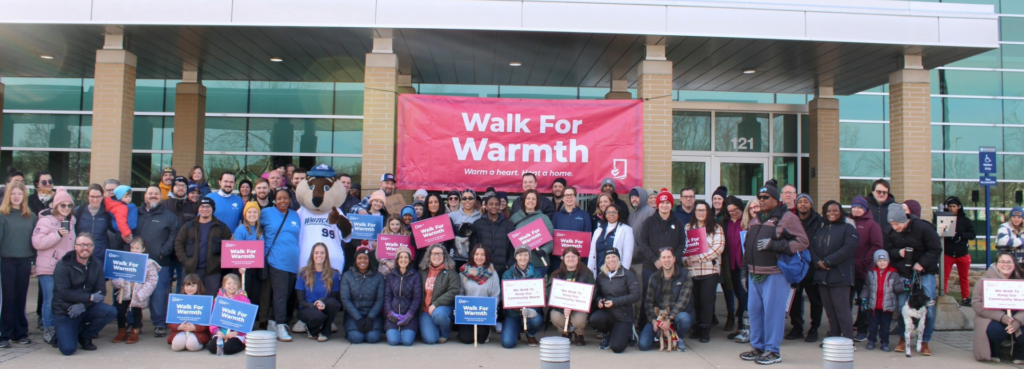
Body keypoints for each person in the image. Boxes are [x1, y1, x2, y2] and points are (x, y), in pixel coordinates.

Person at [739, 181, 809, 365]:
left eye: (765, 197)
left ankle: (772, 350)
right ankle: (758, 346)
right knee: (755, 312)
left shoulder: (787, 217)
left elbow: (802, 241)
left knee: (773, 313)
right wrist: (744, 271)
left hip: (775, 273)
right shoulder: (756, 219)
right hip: (754, 273)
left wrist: (776, 245)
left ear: (776, 200)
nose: (761, 200)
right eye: (759, 197)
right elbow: (748, 247)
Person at [884, 202, 941, 355]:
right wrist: (899, 253)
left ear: (904, 219)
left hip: (925, 272)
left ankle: (924, 341)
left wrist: (922, 263)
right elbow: (887, 250)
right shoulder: (890, 231)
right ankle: (903, 338)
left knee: (928, 307)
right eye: (892, 224)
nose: (894, 227)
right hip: (903, 273)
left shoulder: (923, 227)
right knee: (903, 306)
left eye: (896, 224)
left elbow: (936, 249)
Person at [52, 233, 117, 355]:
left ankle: (85, 335)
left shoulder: (96, 264)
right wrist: (90, 297)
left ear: (93, 247)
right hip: (65, 310)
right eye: (81, 244)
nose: (85, 248)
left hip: (85, 308)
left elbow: (101, 292)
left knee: (110, 311)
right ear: (75, 246)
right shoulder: (62, 265)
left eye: (89, 245)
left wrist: (83, 305)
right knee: (68, 350)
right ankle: (64, 332)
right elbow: (63, 292)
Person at [30, 186, 75, 345]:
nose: (66, 208)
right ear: (55, 206)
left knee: (61, 298)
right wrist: (56, 235)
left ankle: (59, 328)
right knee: (49, 299)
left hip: (65, 269)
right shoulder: (45, 220)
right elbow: (37, 242)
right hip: (48, 267)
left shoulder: (71, 221)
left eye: (69, 205)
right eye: (63, 205)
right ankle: (48, 329)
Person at [135, 186, 181, 338]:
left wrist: (163, 252)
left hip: (160, 262)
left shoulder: (168, 216)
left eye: (156, 194)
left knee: (159, 293)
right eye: (150, 194)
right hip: (136, 261)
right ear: (145, 196)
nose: (153, 196)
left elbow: (174, 235)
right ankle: (134, 324)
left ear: (161, 197)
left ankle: (159, 324)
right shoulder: (136, 213)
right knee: (133, 291)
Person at [809, 200, 858, 343]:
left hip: (840, 276)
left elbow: (848, 249)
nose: (832, 213)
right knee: (830, 311)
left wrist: (827, 261)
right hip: (823, 276)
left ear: (841, 212)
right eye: (828, 211)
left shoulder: (848, 229)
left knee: (842, 310)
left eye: (835, 210)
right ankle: (835, 339)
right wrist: (818, 262)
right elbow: (812, 248)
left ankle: (848, 340)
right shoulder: (821, 230)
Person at [637, 189, 687, 325]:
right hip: (651, 266)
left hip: (672, 267)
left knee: (670, 297)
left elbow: (682, 243)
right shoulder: (648, 222)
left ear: (671, 205)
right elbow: (642, 243)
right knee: (649, 297)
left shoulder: (678, 222)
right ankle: (646, 326)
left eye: (667, 202)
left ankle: (670, 326)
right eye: (662, 202)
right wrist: (655, 260)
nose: (664, 205)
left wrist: (672, 260)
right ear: (658, 204)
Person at [0, 182, 38, 347]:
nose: (16, 196)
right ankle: (4, 334)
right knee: (8, 297)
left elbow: (35, 242)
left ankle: (20, 333)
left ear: (24, 197)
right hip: (6, 260)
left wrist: (35, 262)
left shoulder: (31, 217)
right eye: (13, 193)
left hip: (24, 261)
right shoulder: (2, 215)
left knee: (21, 297)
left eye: (19, 194)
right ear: (9, 195)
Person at [261, 190, 301, 341]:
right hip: (276, 261)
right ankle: (280, 325)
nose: (282, 201)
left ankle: (273, 321)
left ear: (290, 199)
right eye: (279, 198)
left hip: (292, 262)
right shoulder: (266, 213)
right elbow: (253, 225)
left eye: (285, 198)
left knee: (287, 294)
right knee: (280, 295)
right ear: (274, 200)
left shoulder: (294, 215)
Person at [683, 200, 725, 343]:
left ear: (708, 212)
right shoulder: (687, 228)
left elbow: (718, 248)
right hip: (691, 271)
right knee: (694, 302)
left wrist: (699, 258)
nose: (701, 213)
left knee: (707, 302)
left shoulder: (716, 228)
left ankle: (705, 329)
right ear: (694, 213)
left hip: (709, 271)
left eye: (703, 210)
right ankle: (696, 327)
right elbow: (682, 247)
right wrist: (686, 259)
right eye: (698, 210)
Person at [971, 252, 1024, 363]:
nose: (1006, 265)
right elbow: (977, 304)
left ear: (1014, 264)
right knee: (996, 331)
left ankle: (1019, 355)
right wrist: (1002, 317)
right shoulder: (984, 282)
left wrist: (1018, 321)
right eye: (1002, 262)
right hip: (992, 317)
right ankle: (994, 352)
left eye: (1009, 262)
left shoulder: (1021, 281)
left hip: (1017, 317)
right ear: (996, 264)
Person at [174, 197, 233, 296]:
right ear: (198, 209)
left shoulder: (222, 227)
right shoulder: (188, 226)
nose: (205, 209)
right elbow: (178, 244)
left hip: (213, 272)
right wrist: (186, 261)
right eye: (202, 206)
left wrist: (219, 262)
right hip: (192, 271)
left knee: (211, 300)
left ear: (213, 209)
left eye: (208, 207)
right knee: (193, 302)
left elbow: (229, 248)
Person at [638, 248, 693, 352]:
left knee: (684, 319)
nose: (666, 260)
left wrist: (670, 318)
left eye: (669, 257)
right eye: (664, 257)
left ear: (674, 259)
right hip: (659, 317)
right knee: (643, 345)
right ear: (660, 260)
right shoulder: (653, 277)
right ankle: (661, 337)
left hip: (676, 316)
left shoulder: (685, 275)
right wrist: (653, 321)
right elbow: (648, 302)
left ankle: (678, 338)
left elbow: (683, 301)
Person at [786, 193, 823, 342]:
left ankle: (814, 328)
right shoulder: (791, 220)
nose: (802, 204)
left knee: (815, 299)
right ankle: (797, 327)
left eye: (806, 202)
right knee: (795, 297)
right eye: (800, 202)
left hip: (812, 265)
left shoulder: (819, 221)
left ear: (811, 205)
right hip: (796, 264)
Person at [590, 248, 641, 353]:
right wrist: (599, 300)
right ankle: (607, 334)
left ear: (618, 259)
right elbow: (597, 293)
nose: (611, 260)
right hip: (607, 314)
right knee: (595, 319)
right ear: (605, 260)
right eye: (608, 257)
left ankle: (629, 331)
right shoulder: (601, 276)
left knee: (617, 348)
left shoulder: (628, 274)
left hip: (623, 316)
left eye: (614, 257)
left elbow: (636, 295)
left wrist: (615, 302)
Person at [110, 238, 161, 344]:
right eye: (132, 248)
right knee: (120, 312)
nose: (134, 250)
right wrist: (119, 283)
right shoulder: (124, 260)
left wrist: (142, 293)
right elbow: (116, 275)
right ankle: (121, 331)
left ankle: (135, 332)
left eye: (137, 248)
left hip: (138, 293)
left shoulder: (149, 264)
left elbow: (152, 280)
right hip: (124, 292)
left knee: (137, 313)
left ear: (143, 249)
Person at [849, 195, 884, 342]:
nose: (856, 210)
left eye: (859, 207)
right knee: (846, 300)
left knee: (863, 300)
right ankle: (846, 327)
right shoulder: (847, 222)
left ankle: (863, 329)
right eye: (854, 207)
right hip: (848, 271)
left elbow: (877, 245)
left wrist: (865, 261)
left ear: (865, 209)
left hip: (864, 271)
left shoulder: (872, 225)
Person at [547, 247, 594, 346]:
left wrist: (576, 306)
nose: (570, 259)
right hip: (562, 309)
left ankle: (579, 335)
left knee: (580, 319)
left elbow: (593, 293)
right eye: (567, 256)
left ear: (578, 258)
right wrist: (562, 307)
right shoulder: (556, 275)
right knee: (555, 316)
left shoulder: (586, 274)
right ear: (562, 258)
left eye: (573, 256)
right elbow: (550, 294)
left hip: (579, 308)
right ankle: (566, 333)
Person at [296, 242, 342, 342]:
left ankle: (325, 331)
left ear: (326, 255)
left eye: (322, 253)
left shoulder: (333, 274)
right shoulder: (303, 274)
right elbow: (301, 301)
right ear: (312, 255)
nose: (319, 255)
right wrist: (314, 305)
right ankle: (312, 329)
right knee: (318, 317)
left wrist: (322, 301)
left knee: (334, 303)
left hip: (324, 306)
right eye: (316, 253)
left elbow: (334, 297)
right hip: (308, 308)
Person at [456, 245, 502, 344]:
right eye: (477, 254)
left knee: (481, 340)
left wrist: (491, 310)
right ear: (473, 256)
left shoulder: (492, 272)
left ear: (486, 257)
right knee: (466, 339)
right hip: (468, 312)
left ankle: (487, 329)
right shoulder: (464, 272)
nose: (479, 257)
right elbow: (460, 293)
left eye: (482, 255)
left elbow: (496, 295)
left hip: (484, 313)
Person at [340, 245, 385, 344]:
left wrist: (370, 318)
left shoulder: (378, 276)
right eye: (359, 258)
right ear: (355, 260)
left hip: (373, 315)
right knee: (356, 338)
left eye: (365, 258)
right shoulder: (347, 276)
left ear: (370, 260)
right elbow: (345, 299)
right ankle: (351, 331)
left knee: (372, 338)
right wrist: (358, 318)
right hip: (354, 315)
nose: (362, 261)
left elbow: (380, 300)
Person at [502, 245, 544, 348]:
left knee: (536, 320)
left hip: (530, 313)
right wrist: (516, 308)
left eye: (526, 255)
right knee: (508, 343)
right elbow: (504, 297)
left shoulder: (537, 275)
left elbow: (539, 297)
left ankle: (531, 335)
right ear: (516, 256)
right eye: (520, 255)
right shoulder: (507, 274)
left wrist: (532, 309)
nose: (523, 258)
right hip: (513, 314)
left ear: (529, 257)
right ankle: (515, 331)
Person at [418, 244, 461, 344]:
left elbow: (454, 291)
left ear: (445, 255)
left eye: (440, 254)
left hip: (443, 308)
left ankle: (445, 333)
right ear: (429, 255)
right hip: (425, 310)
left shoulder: (451, 272)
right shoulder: (422, 271)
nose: (436, 256)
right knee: (430, 339)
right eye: (434, 254)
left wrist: (436, 304)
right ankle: (433, 328)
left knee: (439, 315)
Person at [510, 189, 555, 275]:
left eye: (533, 199)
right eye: (528, 198)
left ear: (537, 201)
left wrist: (544, 250)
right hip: (520, 263)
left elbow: (551, 241)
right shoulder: (514, 218)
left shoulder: (544, 218)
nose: (531, 201)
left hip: (539, 263)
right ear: (524, 200)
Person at [860, 250, 898, 352]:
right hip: (874, 306)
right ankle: (871, 340)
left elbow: (897, 288)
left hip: (887, 307)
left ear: (888, 261)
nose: (882, 263)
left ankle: (885, 342)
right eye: (879, 260)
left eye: (884, 260)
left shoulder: (893, 274)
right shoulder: (871, 273)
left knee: (885, 326)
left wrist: (906, 286)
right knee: (872, 325)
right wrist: (864, 299)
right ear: (876, 262)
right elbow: (866, 288)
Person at [941, 196, 976, 307]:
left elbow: (972, 234)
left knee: (964, 277)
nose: (952, 209)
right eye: (950, 206)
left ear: (959, 207)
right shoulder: (943, 219)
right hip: (948, 253)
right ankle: (943, 296)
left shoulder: (965, 220)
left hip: (962, 253)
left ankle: (965, 297)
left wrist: (961, 236)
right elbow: (939, 233)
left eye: (954, 206)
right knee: (944, 276)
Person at [384, 246, 422, 346]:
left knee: (407, 342)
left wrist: (409, 315)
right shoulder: (390, 276)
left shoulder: (415, 276)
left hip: (409, 317)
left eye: (406, 257)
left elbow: (417, 298)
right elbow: (387, 297)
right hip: (393, 317)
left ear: (409, 260)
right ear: (397, 259)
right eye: (401, 257)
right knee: (393, 341)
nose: (403, 260)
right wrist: (390, 313)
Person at [470, 195, 515, 277]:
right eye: (491, 204)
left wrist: (509, 263)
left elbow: (512, 247)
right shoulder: (477, 224)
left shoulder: (508, 225)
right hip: (482, 267)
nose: (494, 206)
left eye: (496, 204)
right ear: (486, 206)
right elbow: (473, 247)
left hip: (503, 268)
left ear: (499, 207)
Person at [721, 196, 746, 336]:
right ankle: (741, 325)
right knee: (737, 293)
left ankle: (742, 326)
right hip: (730, 265)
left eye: (736, 209)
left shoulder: (747, 221)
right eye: (730, 210)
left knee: (744, 297)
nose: (733, 212)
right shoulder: (725, 223)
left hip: (744, 265)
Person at [233, 201, 264, 315]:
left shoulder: (260, 230)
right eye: (249, 212)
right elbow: (236, 249)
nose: (252, 214)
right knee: (245, 294)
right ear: (245, 214)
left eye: (255, 212)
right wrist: (239, 265)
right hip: (244, 268)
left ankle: (252, 319)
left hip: (257, 267)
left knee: (255, 294)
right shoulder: (241, 230)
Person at [167, 274, 212, 351]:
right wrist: (179, 327)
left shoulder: (204, 301)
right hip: (180, 330)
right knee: (176, 346)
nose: (189, 288)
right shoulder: (177, 300)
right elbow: (171, 320)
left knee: (192, 346)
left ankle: (196, 343)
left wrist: (195, 328)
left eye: (193, 286)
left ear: (198, 286)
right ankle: (184, 341)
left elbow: (207, 322)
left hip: (197, 332)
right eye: (187, 286)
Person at [207, 274, 248, 355]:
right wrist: (217, 331)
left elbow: (247, 320)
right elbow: (214, 317)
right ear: (224, 285)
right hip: (221, 331)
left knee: (228, 349)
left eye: (234, 283)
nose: (232, 286)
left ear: (238, 285)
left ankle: (243, 345)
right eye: (229, 283)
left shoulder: (244, 300)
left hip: (236, 332)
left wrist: (237, 332)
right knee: (212, 348)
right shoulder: (219, 299)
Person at [588, 203, 634, 276]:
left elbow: (627, 254)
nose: (611, 214)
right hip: (598, 271)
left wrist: (624, 274)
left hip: (616, 272)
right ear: (605, 215)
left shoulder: (626, 230)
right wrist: (590, 271)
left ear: (619, 214)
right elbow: (592, 253)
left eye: (614, 212)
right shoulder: (598, 230)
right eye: (608, 212)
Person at [75, 184, 113, 263]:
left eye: (98, 197)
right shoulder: (79, 211)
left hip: (100, 256)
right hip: (81, 255)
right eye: (92, 196)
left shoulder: (107, 212)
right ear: (88, 197)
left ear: (102, 197)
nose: (95, 200)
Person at [449, 189, 482, 265]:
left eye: (470, 198)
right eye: (464, 198)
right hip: (454, 259)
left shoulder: (480, 218)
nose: (467, 200)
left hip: (474, 260)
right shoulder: (451, 216)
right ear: (461, 200)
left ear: (475, 200)